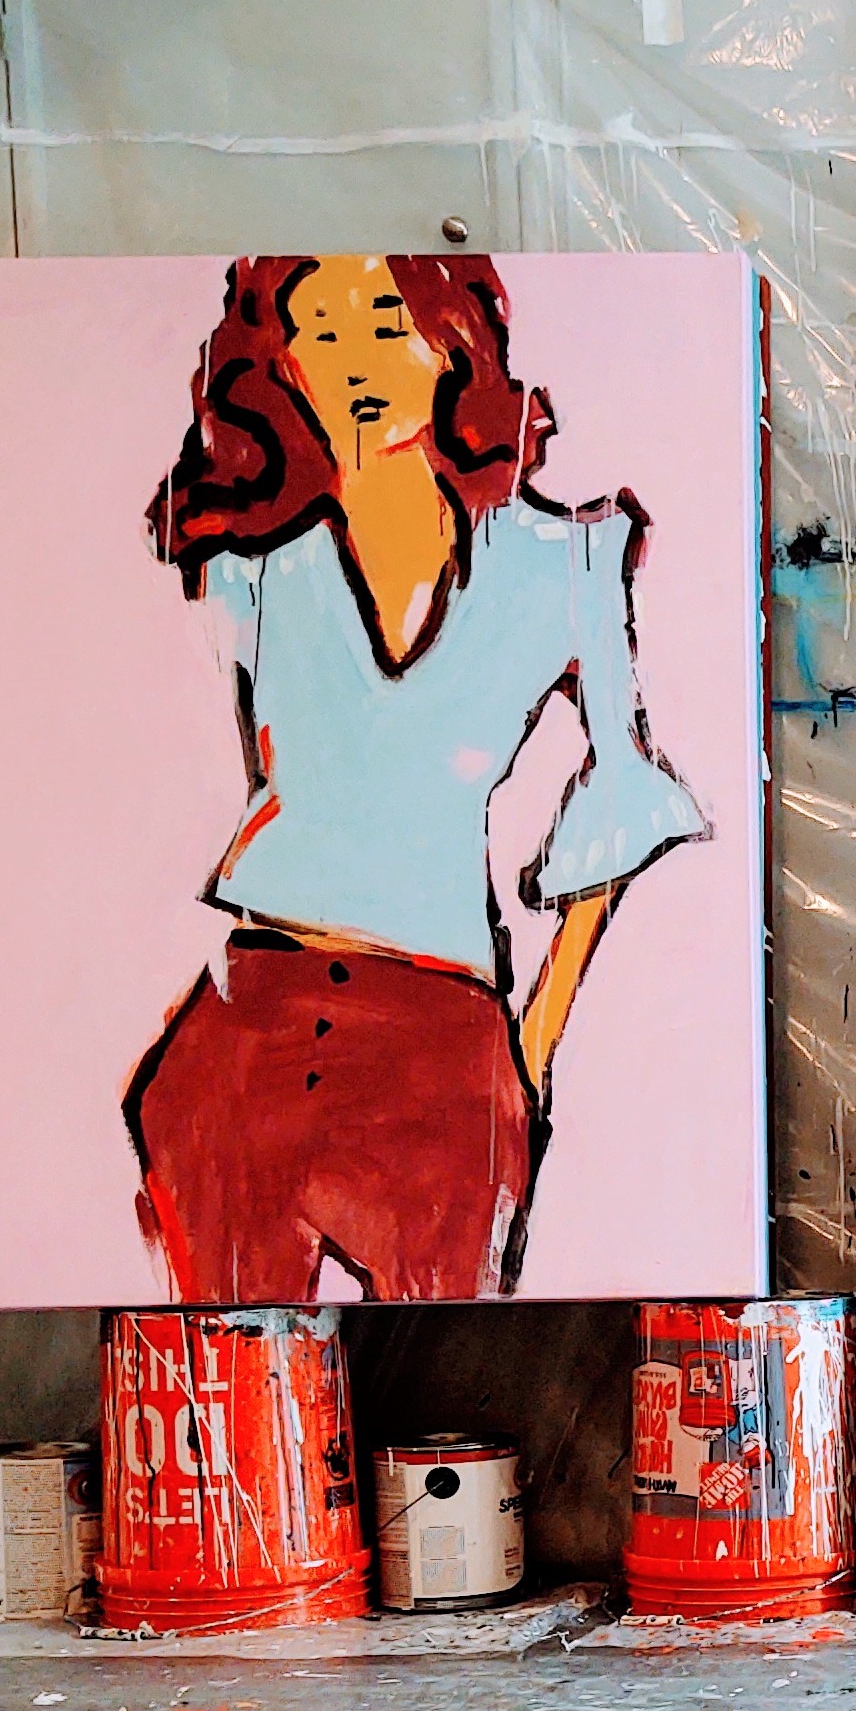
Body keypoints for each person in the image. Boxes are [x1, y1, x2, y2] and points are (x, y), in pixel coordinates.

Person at [120, 253, 705, 1301]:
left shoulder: (568, 561)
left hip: (442, 1044)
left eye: (386, 320)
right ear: (283, 362)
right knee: (228, 1375)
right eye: (320, 327)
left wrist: (528, 1052)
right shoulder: (251, 565)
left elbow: (624, 786)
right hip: (251, 1027)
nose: (356, 360)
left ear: (451, 341)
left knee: (455, 1363)